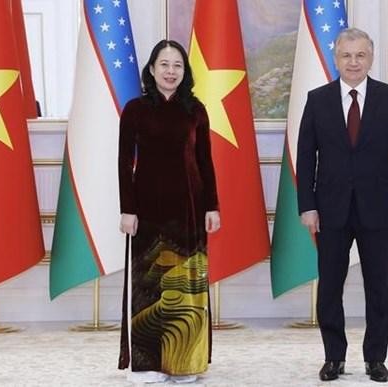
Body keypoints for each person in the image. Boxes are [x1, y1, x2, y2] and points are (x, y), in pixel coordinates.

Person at [296, 28, 388, 383]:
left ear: (371, 58)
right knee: (330, 286)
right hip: (329, 208)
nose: (353, 62)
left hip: (378, 207)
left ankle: (375, 358)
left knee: (377, 287)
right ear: (336, 58)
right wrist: (308, 205)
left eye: (360, 55)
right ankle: (334, 357)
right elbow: (306, 159)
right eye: (346, 55)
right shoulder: (317, 99)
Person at [117, 39, 220, 384]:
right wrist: (126, 209)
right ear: (151, 69)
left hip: (190, 208)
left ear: (184, 72)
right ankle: (147, 365)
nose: (171, 71)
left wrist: (213, 206)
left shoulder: (196, 110)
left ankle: (185, 362)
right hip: (146, 210)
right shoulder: (134, 109)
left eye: (177, 65)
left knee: (185, 285)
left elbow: (206, 162)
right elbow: (123, 163)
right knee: (149, 286)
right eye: (164, 64)